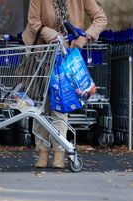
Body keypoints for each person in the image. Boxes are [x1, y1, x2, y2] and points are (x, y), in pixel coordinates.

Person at [22, 0, 108, 168]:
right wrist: (54, 36)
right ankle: (43, 152)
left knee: (60, 105)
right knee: (41, 106)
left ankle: (60, 151)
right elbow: (33, 22)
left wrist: (85, 37)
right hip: (41, 54)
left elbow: (100, 18)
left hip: (65, 58)